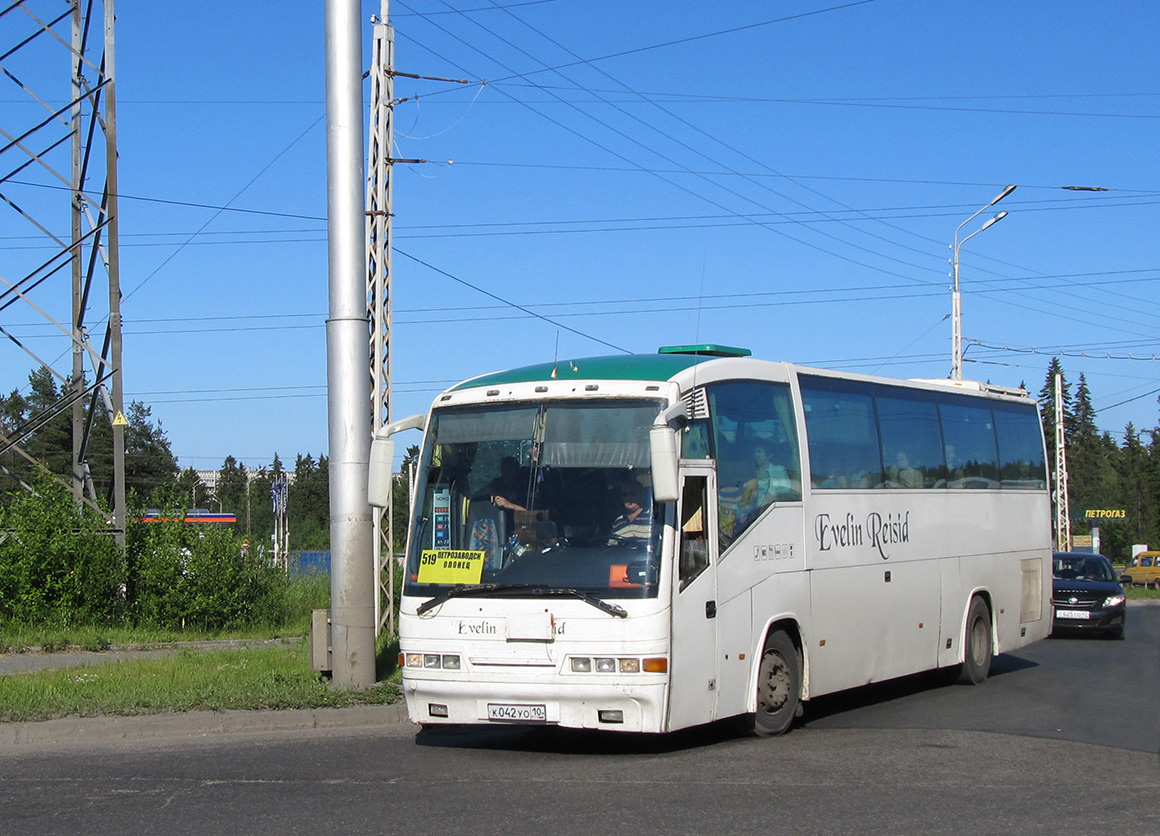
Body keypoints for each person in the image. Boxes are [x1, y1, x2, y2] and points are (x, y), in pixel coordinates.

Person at [607, 480, 652, 547]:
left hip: (645, 557)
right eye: (625, 494)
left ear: (641, 495)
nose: (628, 497)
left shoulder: (651, 518)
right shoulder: (618, 522)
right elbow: (611, 548)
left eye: (632, 493)